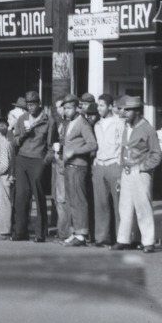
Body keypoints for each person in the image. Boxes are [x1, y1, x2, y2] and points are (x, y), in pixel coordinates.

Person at [113, 96, 162, 253]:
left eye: (128, 110)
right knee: (125, 208)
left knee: (143, 208)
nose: (125, 113)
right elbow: (123, 152)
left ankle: (148, 241)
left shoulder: (147, 128)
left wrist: (144, 167)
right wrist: (120, 175)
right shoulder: (126, 127)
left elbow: (157, 154)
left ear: (137, 111)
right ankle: (123, 239)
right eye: (123, 110)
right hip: (127, 171)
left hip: (140, 172)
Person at [10, 91, 50, 242]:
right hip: (22, 159)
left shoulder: (48, 120)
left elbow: (52, 144)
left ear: (39, 104)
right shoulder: (22, 119)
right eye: (28, 104)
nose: (30, 107)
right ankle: (20, 232)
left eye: (33, 104)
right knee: (21, 197)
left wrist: (45, 161)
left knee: (39, 197)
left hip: (38, 159)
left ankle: (40, 233)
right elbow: (14, 141)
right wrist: (23, 135)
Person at [60, 94, 98, 246]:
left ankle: (82, 235)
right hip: (69, 166)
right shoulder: (69, 123)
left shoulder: (83, 123)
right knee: (72, 200)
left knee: (79, 200)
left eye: (69, 108)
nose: (66, 111)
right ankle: (76, 232)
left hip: (79, 166)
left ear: (77, 108)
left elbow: (92, 144)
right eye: (65, 108)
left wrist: (75, 151)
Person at [92, 93, 123, 248]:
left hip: (114, 164)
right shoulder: (97, 125)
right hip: (100, 165)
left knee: (118, 204)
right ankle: (102, 237)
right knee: (101, 203)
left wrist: (119, 164)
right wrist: (96, 162)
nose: (99, 108)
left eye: (102, 105)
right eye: (98, 105)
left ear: (110, 106)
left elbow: (123, 145)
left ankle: (120, 238)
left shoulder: (119, 123)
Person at [48, 97, 71, 242]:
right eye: (56, 108)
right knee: (56, 196)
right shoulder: (59, 122)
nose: (59, 110)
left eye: (61, 107)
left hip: (64, 161)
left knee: (62, 198)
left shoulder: (70, 123)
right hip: (56, 162)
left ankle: (64, 232)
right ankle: (60, 228)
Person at [0, 121, 15, 240]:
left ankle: (5, 231)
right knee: (4, 203)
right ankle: (5, 230)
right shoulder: (6, 142)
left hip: (4, 178)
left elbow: (5, 164)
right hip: (6, 177)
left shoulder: (3, 144)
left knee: (4, 204)